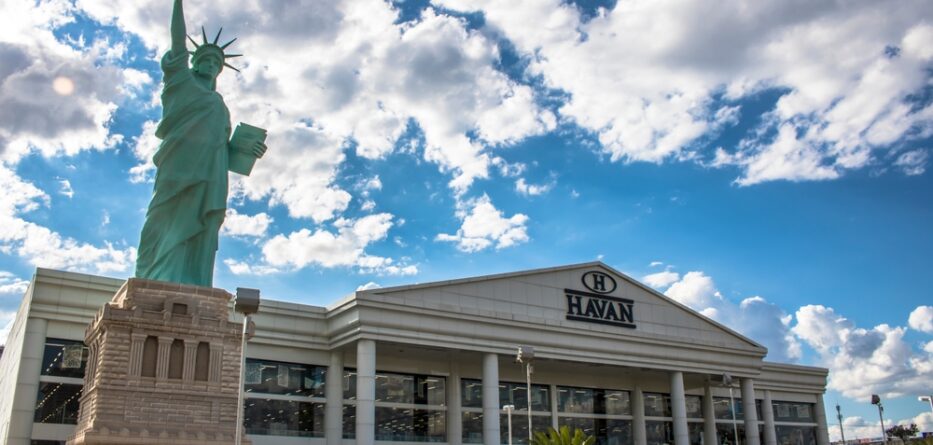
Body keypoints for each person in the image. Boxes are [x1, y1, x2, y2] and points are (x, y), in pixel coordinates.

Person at [135, 0, 266, 287]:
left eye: (216, 63)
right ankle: (150, 279)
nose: (210, 64)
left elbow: (223, 148)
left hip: (210, 174)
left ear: (220, 71)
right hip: (178, 166)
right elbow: (178, 40)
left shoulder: (220, 105)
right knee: (161, 219)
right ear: (194, 62)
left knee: (202, 230)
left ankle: (194, 283)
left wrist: (246, 150)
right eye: (204, 59)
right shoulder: (181, 82)